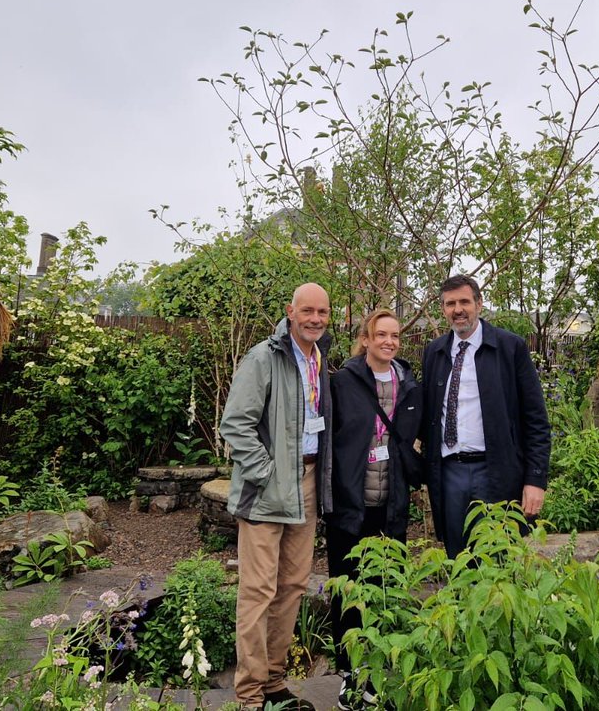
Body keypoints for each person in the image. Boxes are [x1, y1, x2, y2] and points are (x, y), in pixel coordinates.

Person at [220, 282, 334, 711]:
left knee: (292, 586)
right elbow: (235, 425)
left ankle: (274, 682)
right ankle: (249, 696)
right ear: (290, 311)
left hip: (305, 484)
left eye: (322, 312)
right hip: (267, 489)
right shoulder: (264, 358)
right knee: (258, 591)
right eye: (308, 311)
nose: (316, 319)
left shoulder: (319, 360)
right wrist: (267, 473)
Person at [326, 309, 424, 710]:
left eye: (395, 335)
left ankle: (379, 676)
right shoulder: (343, 382)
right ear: (365, 339)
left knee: (387, 589)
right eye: (380, 334)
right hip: (351, 506)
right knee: (348, 591)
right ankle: (350, 674)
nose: (389, 341)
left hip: (392, 505)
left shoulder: (410, 384)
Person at [421, 273, 550, 557]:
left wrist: (535, 480)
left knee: (497, 559)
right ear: (443, 309)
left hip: (496, 473)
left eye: (464, 301)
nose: (458, 309)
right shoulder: (435, 353)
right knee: (458, 558)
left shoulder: (509, 348)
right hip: (449, 473)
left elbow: (536, 421)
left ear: (479, 304)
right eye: (450, 303)